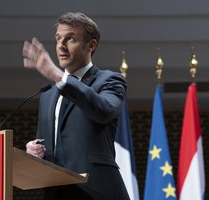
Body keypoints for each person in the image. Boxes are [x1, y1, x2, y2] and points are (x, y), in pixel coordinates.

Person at [22, 12, 130, 200]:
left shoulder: (110, 80)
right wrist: (34, 152)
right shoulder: (47, 95)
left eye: (70, 38)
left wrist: (58, 76)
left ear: (91, 45)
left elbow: (103, 110)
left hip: (97, 192)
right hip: (57, 193)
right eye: (58, 39)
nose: (61, 46)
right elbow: (45, 145)